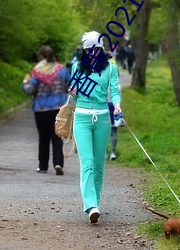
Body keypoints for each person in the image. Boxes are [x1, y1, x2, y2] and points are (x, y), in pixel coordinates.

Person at [69, 31, 121, 223]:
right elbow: (73, 97)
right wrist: (73, 92)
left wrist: (117, 104)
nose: (92, 52)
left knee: (99, 164)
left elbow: (114, 90)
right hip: (81, 118)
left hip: (103, 119)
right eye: (89, 49)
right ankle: (91, 205)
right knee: (88, 163)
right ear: (84, 50)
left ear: (101, 49)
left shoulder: (110, 68)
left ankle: (95, 201)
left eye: (96, 49)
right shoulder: (77, 67)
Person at [22, 45, 71, 175]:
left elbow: (30, 90)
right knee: (57, 137)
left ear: (41, 57)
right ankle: (58, 163)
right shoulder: (62, 70)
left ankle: (43, 166)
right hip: (58, 109)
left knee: (43, 138)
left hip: (41, 109)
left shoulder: (37, 71)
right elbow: (70, 86)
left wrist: (25, 83)